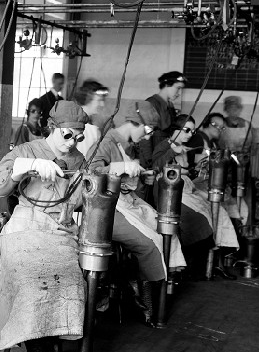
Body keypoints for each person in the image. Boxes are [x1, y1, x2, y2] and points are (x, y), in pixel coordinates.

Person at [0, 100, 88, 352]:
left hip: (60, 233)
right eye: (67, 135)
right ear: (51, 127)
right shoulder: (27, 149)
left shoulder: (79, 159)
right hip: (25, 229)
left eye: (78, 138)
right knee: (32, 287)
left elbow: (82, 201)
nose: (72, 143)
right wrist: (24, 168)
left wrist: (91, 189)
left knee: (70, 286)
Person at [90, 101, 187, 324]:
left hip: (129, 201)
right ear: (132, 122)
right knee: (150, 243)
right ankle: (147, 305)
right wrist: (118, 168)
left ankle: (159, 286)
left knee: (166, 228)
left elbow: (129, 176)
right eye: (147, 130)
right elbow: (90, 172)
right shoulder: (104, 144)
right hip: (108, 209)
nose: (146, 137)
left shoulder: (127, 145)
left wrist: (143, 176)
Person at [152, 114, 239, 279]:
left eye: (192, 131)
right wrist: (172, 151)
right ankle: (198, 268)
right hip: (168, 191)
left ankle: (216, 263)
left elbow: (186, 170)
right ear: (175, 129)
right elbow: (155, 165)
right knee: (200, 217)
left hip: (186, 188)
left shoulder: (184, 146)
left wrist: (195, 168)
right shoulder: (165, 145)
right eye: (186, 130)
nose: (190, 134)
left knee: (217, 211)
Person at [73, 79, 109, 157]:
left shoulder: (87, 124)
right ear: (88, 99)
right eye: (99, 100)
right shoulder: (87, 129)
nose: (102, 104)